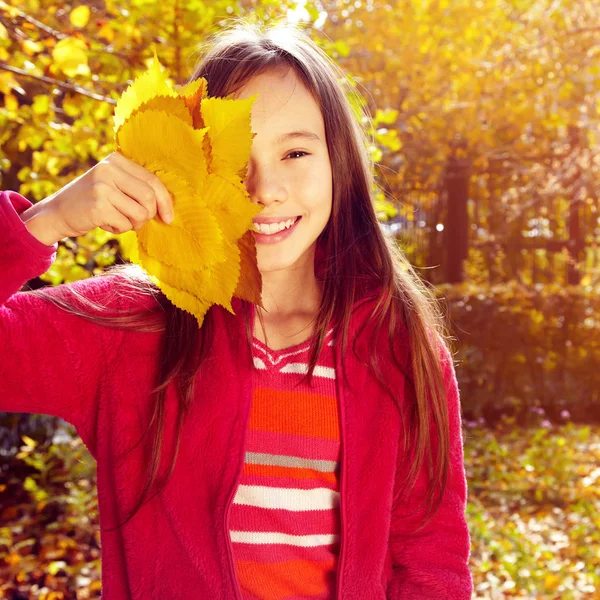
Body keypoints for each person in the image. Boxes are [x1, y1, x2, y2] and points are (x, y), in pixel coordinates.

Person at [0, 17, 473, 600]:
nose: (264, 188)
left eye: (296, 151)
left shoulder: (395, 343)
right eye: (232, 157)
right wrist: (42, 222)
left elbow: (431, 558)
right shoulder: (129, 326)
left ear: (339, 165)